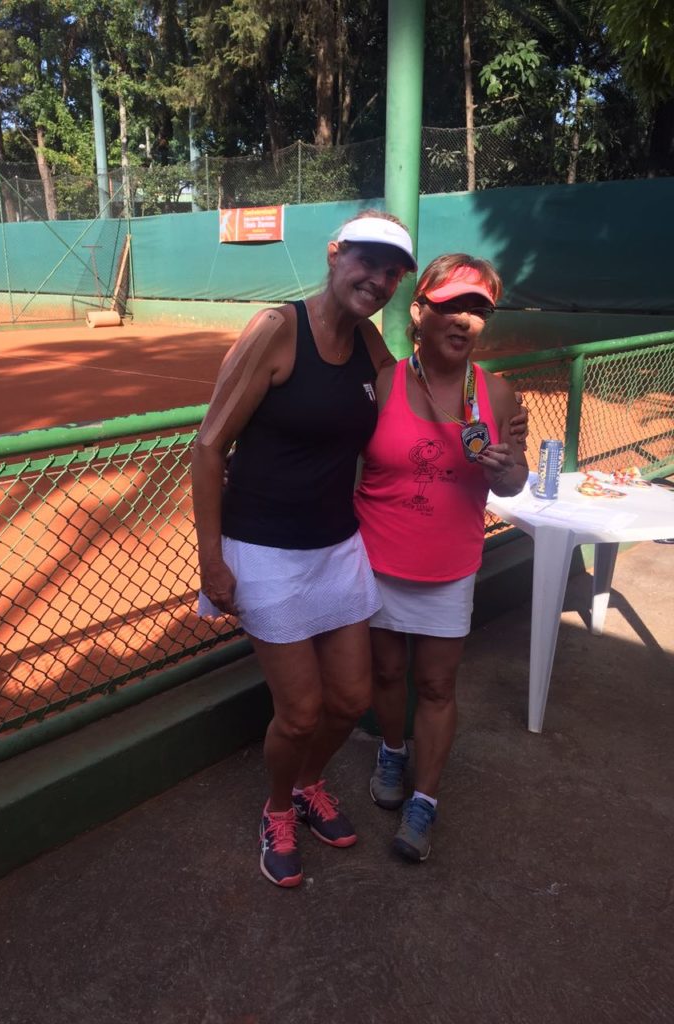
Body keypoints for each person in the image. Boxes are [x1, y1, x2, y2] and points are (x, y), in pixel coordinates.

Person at [191, 218, 527, 889]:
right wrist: (212, 561)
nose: (376, 280)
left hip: (338, 545)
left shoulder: (369, 343)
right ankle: (278, 810)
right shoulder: (276, 329)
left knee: (349, 701)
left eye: (390, 272)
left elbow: (409, 394)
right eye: (366, 263)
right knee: (301, 713)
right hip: (265, 548)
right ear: (335, 255)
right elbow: (207, 447)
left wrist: (501, 432)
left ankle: (310, 783)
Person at [353, 253, 529, 864]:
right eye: (451, 305)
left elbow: (514, 482)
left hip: (449, 567)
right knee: (386, 675)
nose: (464, 320)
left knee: (435, 684)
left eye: (478, 309)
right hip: (377, 560)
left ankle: (424, 800)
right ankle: (392, 751)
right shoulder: (383, 384)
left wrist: (508, 470)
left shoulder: (496, 393)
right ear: (420, 312)